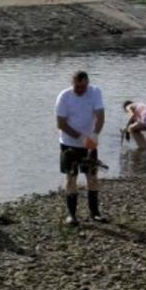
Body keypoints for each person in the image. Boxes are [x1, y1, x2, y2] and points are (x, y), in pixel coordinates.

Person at [56, 71, 106, 227]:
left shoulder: (95, 92)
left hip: (89, 143)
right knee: (71, 177)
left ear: (87, 83)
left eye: (83, 86)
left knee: (92, 176)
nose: (80, 89)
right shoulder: (64, 96)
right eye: (77, 86)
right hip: (69, 143)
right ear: (72, 84)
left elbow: (100, 116)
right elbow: (61, 124)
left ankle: (95, 213)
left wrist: (95, 134)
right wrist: (81, 138)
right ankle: (72, 215)